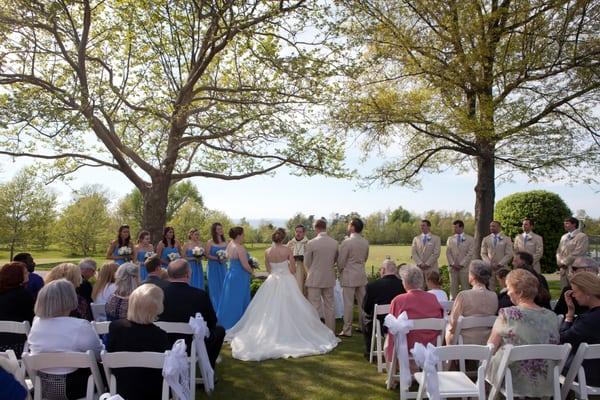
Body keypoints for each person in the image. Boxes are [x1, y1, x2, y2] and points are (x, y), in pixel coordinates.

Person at [226, 228, 339, 361]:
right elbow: (292, 269)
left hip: (272, 281)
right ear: (283, 239)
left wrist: (276, 271)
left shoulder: (267, 251)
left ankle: (269, 332)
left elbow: (269, 270)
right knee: (292, 306)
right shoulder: (287, 250)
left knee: (267, 309)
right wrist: (288, 269)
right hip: (286, 280)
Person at [487, 269, 560, 398]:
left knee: (487, 363)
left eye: (508, 288)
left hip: (514, 381)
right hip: (546, 382)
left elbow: (490, 348)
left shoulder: (507, 314)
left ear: (519, 292)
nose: (507, 292)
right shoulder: (552, 316)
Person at [27, 279, 103, 400]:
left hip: (43, 386)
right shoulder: (80, 325)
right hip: (76, 387)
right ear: (70, 298)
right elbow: (98, 355)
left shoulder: (36, 323)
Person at [107, 284, 170, 400]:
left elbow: (110, 353)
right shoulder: (160, 335)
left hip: (121, 389)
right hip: (153, 391)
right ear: (158, 308)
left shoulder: (115, 327)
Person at [159, 259, 225, 368]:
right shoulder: (200, 295)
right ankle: (208, 367)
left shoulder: (158, 293)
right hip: (191, 345)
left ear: (169, 274)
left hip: (164, 343)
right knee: (219, 330)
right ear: (187, 274)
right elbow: (212, 321)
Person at [385, 265, 443, 363]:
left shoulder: (398, 300)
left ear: (405, 282)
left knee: (388, 340)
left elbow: (392, 330)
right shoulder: (433, 298)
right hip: (431, 345)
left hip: (408, 346)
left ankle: (393, 369)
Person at [559, 271, 600, 387]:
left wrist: (569, 316)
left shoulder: (588, 320)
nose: (574, 296)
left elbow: (562, 340)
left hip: (589, 376)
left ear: (587, 292)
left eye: (575, 292)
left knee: (552, 366)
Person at [446, 261, 498, 345]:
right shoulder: (494, 296)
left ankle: (448, 356)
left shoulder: (463, 295)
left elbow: (453, 324)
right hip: (486, 342)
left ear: (473, 276)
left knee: (448, 327)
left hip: (464, 343)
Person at [361, 259, 405, 356]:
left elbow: (366, 308)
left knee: (364, 316)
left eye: (381, 269)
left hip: (381, 325)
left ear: (383, 270)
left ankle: (369, 350)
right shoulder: (403, 285)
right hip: (400, 322)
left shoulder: (372, 286)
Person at [305, 218, 339, 332]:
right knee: (330, 305)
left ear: (316, 228)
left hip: (315, 277)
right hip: (329, 277)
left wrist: (313, 269)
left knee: (314, 306)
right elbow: (335, 259)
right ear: (325, 227)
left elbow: (307, 262)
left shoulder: (311, 243)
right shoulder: (334, 243)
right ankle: (331, 330)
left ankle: (315, 331)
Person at [338, 218, 369, 337]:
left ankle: (347, 329)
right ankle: (364, 326)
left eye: (349, 224)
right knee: (363, 303)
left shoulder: (347, 242)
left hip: (349, 275)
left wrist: (341, 271)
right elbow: (365, 258)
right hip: (361, 274)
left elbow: (341, 261)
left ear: (352, 227)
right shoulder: (365, 242)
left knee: (348, 304)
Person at [217, 227, 253, 330]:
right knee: (239, 299)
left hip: (230, 274)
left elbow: (226, 257)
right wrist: (252, 272)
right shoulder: (239, 247)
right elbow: (245, 265)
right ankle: (237, 323)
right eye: (243, 234)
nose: (244, 236)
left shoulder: (230, 244)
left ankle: (225, 321)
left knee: (229, 299)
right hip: (240, 276)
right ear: (238, 235)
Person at [0, 262, 34, 354]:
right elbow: (31, 319)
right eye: (26, 272)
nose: (29, 274)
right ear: (17, 276)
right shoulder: (24, 295)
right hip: (16, 346)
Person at [556, 217, 589, 289]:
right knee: (564, 291)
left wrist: (564, 262)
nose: (565, 225)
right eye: (564, 224)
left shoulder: (582, 236)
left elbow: (579, 252)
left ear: (574, 224)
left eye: (567, 223)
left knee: (576, 290)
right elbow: (559, 251)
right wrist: (559, 261)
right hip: (563, 270)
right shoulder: (563, 237)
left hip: (575, 269)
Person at [480, 220, 513, 290]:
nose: (491, 228)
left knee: (505, 288)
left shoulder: (507, 239)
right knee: (490, 289)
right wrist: (489, 263)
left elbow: (509, 254)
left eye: (493, 226)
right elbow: (483, 253)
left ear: (499, 227)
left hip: (502, 268)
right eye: (490, 226)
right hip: (490, 269)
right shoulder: (486, 239)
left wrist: (500, 264)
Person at [445, 220, 474, 299]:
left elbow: (470, 253)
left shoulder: (470, 239)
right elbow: (448, 253)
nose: (454, 229)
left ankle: (466, 306)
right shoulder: (450, 239)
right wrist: (453, 263)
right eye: (453, 227)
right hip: (453, 268)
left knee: (465, 288)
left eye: (456, 227)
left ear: (462, 227)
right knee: (453, 289)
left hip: (464, 269)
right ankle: (452, 307)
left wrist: (461, 264)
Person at [205, 222, 228, 311]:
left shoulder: (226, 242)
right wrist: (216, 258)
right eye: (218, 229)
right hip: (213, 267)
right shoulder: (210, 242)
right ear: (214, 231)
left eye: (221, 228)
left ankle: (224, 309)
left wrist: (224, 258)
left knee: (224, 287)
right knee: (214, 289)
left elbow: (228, 254)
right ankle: (215, 310)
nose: (221, 230)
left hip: (223, 267)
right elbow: (206, 255)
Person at [287, 224, 309, 295]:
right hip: (292, 268)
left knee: (302, 287)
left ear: (304, 233)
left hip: (304, 268)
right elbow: (285, 255)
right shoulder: (290, 243)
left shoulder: (308, 243)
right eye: (296, 231)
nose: (298, 233)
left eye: (300, 232)